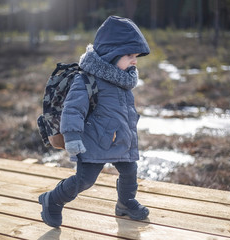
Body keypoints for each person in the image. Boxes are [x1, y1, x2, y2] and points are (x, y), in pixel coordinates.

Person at [38, 16, 150, 228]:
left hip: (119, 140)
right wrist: (71, 137)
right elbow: (73, 110)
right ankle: (52, 200)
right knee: (85, 181)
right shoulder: (86, 79)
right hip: (93, 142)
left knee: (129, 171)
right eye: (129, 55)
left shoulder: (123, 79)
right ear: (111, 54)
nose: (134, 61)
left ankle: (125, 203)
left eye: (136, 56)